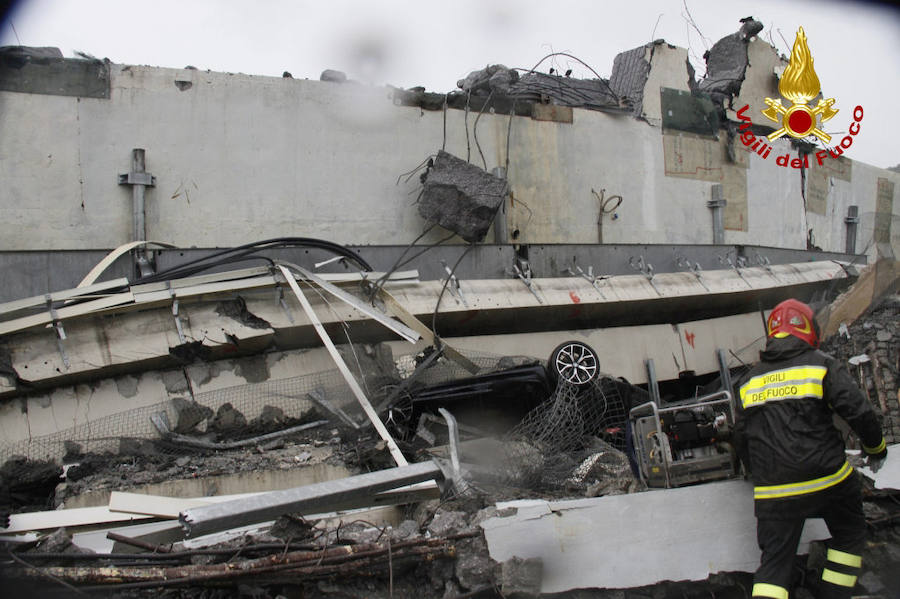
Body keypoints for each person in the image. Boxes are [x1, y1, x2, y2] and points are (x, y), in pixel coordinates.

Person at [733, 298, 887, 599]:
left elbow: (741, 436)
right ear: (808, 330)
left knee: (775, 564)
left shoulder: (749, 381)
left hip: (774, 491)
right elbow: (859, 412)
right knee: (849, 534)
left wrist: (757, 473)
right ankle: (833, 593)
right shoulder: (821, 364)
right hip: (828, 479)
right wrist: (876, 448)